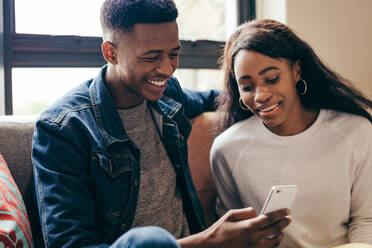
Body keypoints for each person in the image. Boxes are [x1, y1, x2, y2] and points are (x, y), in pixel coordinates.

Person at [32, 1, 291, 248]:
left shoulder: (167, 94)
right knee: (149, 240)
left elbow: (218, 100)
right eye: (152, 57)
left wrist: (270, 101)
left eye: (174, 54)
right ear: (111, 53)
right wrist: (208, 242)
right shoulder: (63, 130)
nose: (167, 69)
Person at [210, 18, 372, 248]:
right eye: (247, 86)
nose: (260, 95)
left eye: (272, 79)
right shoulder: (227, 149)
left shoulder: (356, 132)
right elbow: (231, 234)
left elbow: (367, 222)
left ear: (296, 71)